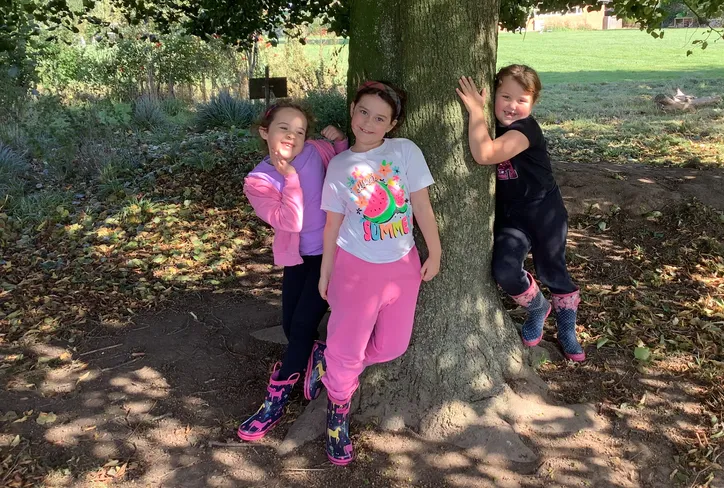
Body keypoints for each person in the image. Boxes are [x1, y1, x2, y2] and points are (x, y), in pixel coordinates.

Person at [317, 80, 442, 465]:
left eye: (380, 118)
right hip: (355, 269)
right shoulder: (340, 166)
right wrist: (325, 273)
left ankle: (334, 363)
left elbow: (421, 206)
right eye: (364, 112)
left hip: (402, 266)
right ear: (352, 110)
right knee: (348, 348)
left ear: (392, 124)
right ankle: (338, 409)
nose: (369, 122)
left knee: (392, 346)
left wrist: (434, 252)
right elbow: (332, 226)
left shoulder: (405, 152)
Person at [456, 65, 584, 363]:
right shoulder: (494, 126)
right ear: (494, 96)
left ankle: (567, 329)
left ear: (533, 104)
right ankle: (538, 307)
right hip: (511, 218)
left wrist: (475, 110)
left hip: (544, 213)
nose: (512, 106)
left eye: (521, 100)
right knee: (504, 269)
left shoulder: (526, 129)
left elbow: (484, 154)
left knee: (553, 270)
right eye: (505, 96)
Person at [237, 101, 348, 441]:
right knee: (289, 325)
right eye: (284, 128)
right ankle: (315, 353)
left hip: (331, 254)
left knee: (300, 326)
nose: (292, 136)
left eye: (300, 131)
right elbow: (290, 220)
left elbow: (346, 164)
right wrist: (289, 177)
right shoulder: (258, 180)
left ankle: (276, 399)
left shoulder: (316, 152)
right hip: (298, 258)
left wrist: (340, 141)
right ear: (265, 132)